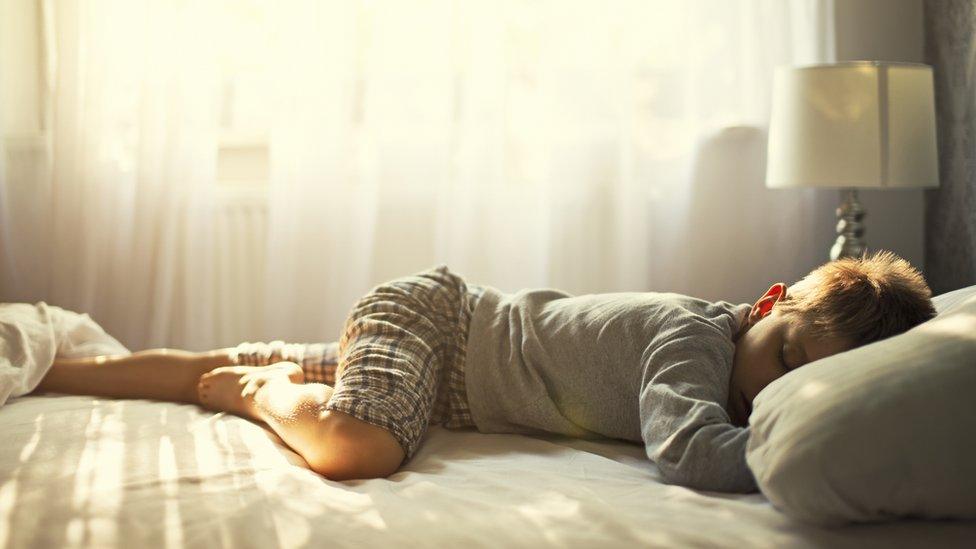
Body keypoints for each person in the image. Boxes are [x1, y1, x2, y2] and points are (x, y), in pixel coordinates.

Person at [32, 250, 936, 492]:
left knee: (217, 357)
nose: (765, 393)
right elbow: (686, 446)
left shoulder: (732, 359)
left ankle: (57, 369)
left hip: (449, 376)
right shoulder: (693, 341)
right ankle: (262, 398)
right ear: (769, 300)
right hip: (441, 325)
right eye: (780, 356)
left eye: (795, 391)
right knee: (358, 445)